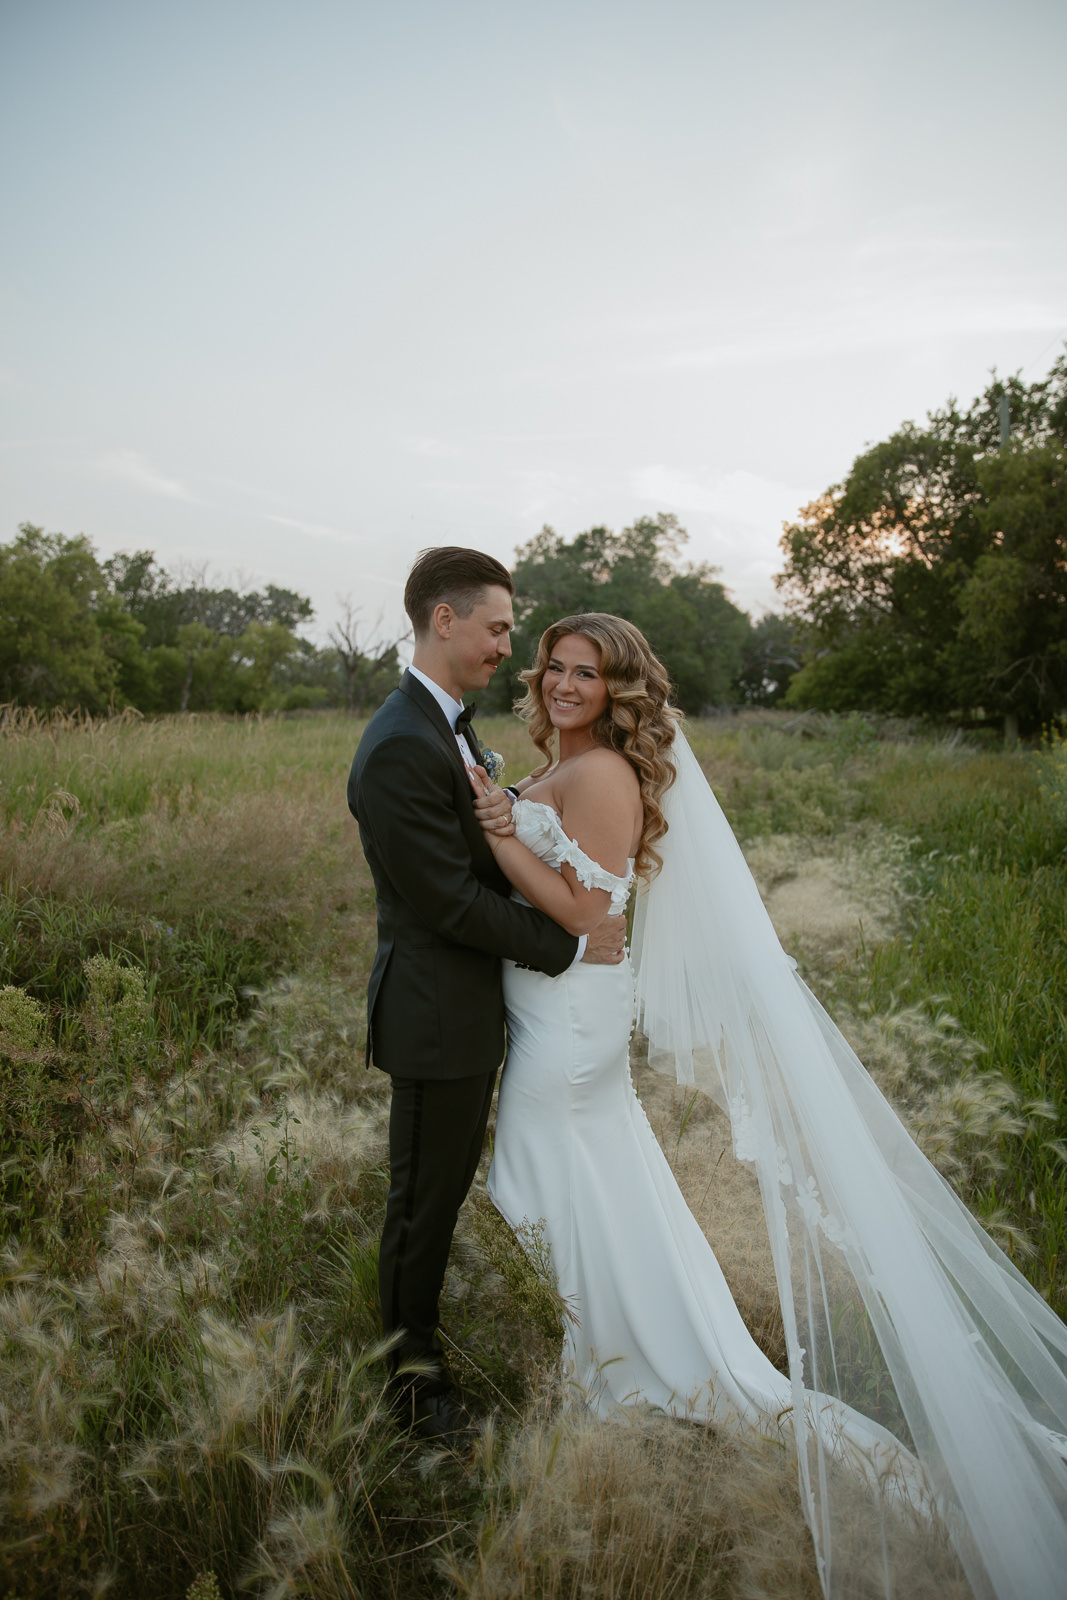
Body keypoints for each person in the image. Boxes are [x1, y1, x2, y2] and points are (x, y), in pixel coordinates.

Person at [466, 611, 1067, 1600]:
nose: (565, 685)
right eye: (556, 668)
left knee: (533, 1181)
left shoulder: (605, 772)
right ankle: (615, 1349)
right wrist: (506, 806)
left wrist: (497, 834)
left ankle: (601, 1368)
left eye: (587, 674)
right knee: (589, 1184)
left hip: (568, 1019)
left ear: (619, 693)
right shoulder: (560, 762)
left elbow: (586, 914)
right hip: (551, 1009)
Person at [346, 549, 625, 1444]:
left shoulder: (447, 725)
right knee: (422, 1205)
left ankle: (416, 1364)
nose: (511, 646)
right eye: (500, 627)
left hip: (467, 1009)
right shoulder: (398, 743)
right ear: (444, 621)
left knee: (437, 1193)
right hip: (434, 1016)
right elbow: (447, 901)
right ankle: (411, 1390)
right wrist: (566, 940)